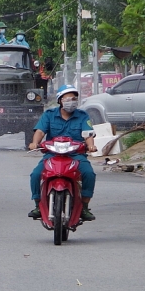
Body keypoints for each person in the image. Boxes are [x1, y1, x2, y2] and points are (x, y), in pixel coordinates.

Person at [27, 84, 98, 221]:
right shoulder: (49, 115)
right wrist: (34, 143)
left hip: (76, 155)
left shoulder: (83, 116)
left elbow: (88, 135)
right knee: (36, 174)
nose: (71, 101)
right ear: (60, 100)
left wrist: (91, 146)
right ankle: (37, 205)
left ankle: (84, 207)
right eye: (68, 99)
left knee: (89, 173)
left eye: (74, 99)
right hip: (52, 154)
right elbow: (40, 131)